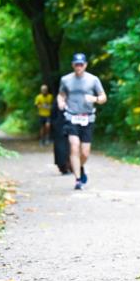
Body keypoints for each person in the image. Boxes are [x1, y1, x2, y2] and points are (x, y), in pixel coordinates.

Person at [57, 53, 106, 190]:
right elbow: (61, 95)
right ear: (73, 65)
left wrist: (95, 99)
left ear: (85, 65)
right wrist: (61, 103)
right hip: (71, 117)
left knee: (85, 153)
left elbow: (103, 97)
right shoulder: (65, 80)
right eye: (76, 64)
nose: (78, 67)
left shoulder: (93, 80)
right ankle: (78, 180)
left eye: (81, 64)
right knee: (74, 146)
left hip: (87, 118)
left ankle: (80, 166)